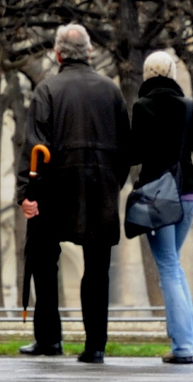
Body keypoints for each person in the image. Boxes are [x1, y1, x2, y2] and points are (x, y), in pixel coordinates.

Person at [17, 23, 131, 364]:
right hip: (100, 188)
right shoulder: (111, 91)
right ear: (90, 52)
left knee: (43, 260)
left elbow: (35, 147)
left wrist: (26, 193)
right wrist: (113, 182)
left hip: (55, 189)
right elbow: (126, 149)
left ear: (57, 54)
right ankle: (95, 345)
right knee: (97, 268)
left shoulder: (47, 91)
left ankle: (50, 338)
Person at [130, 51, 193, 365]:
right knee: (174, 264)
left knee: (168, 266)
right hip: (187, 195)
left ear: (147, 75)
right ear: (172, 73)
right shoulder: (190, 108)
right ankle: (190, 338)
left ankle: (182, 346)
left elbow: (135, 154)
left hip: (157, 198)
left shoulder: (142, 108)